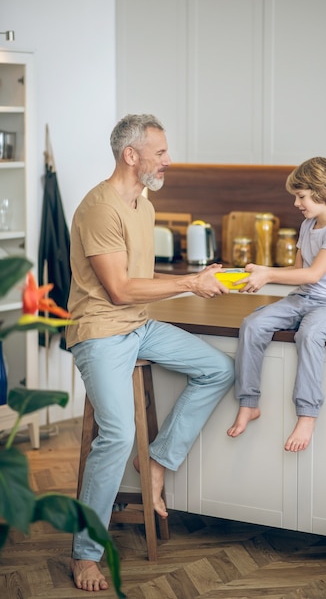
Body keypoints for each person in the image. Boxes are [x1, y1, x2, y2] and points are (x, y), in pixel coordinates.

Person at [66, 114, 234, 592]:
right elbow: (118, 290)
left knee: (218, 368)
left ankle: (157, 461)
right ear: (131, 155)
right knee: (117, 436)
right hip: (100, 331)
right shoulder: (100, 209)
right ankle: (85, 553)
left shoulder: (143, 203)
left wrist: (199, 279)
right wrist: (189, 284)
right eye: (160, 151)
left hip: (139, 327)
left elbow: (139, 288)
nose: (169, 159)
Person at [227, 157, 326, 452]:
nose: (297, 203)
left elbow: (314, 273)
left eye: (301, 196)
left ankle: (307, 414)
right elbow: (296, 271)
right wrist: (261, 271)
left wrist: (268, 274)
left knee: (309, 335)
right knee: (252, 324)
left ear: (323, 192)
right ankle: (249, 402)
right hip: (303, 298)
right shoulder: (308, 224)